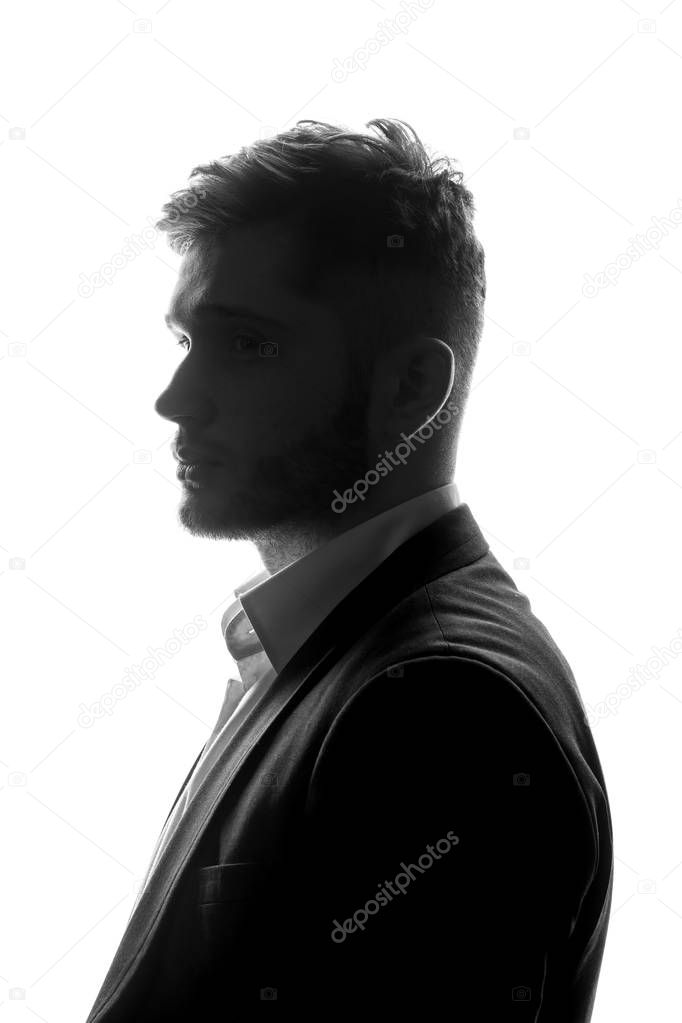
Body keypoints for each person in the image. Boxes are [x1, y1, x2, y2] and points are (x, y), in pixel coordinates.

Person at [86, 118, 612, 1021]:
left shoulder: (442, 705)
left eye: (248, 343)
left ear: (412, 388)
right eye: (186, 342)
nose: (177, 399)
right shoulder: (335, 647)